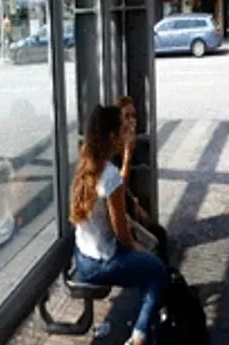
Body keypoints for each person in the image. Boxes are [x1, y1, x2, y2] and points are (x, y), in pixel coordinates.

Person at [70, 105, 167, 345]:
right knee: (156, 271)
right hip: (101, 263)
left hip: (82, 256)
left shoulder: (86, 164)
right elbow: (122, 233)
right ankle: (139, 336)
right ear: (112, 137)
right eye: (123, 131)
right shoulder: (110, 176)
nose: (126, 135)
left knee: (145, 267)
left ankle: (143, 328)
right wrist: (139, 248)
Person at [115, 96, 169, 264]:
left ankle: (165, 279)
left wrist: (134, 201)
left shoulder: (128, 143)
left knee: (159, 233)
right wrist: (127, 155)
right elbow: (116, 187)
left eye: (134, 116)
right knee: (155, 239)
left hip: (128, 205)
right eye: (127, 116)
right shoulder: (115, 148)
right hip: (118, 213)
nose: (132, 121)